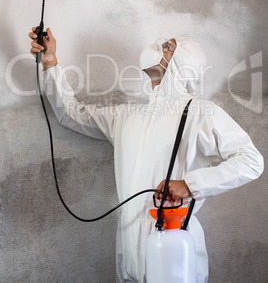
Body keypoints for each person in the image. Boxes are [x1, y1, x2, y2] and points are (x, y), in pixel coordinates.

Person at [29, 27, 264, 283]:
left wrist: (190, 185)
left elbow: (251, 161)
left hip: (174, 243)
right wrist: (50, 62)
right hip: (127, 245)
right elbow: (69, 114)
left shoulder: (201, 113)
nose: (157, 45)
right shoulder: (126, 115)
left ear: (183, 63)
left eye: (168, 46)